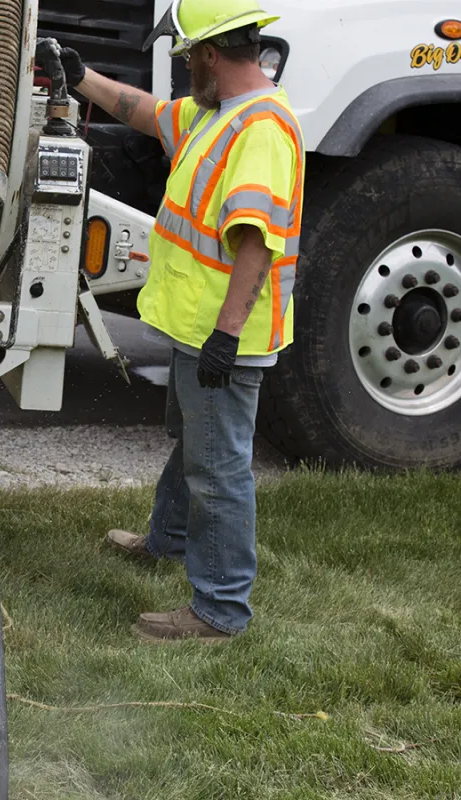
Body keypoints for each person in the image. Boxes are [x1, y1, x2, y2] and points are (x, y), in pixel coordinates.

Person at [54, 0, 304, 641]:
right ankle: (165, 540)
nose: (185, 65)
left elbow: (255, 240)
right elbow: (144, 112)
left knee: (219, 467)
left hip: (225, 337)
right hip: (197, 328)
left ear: (212, 55)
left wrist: (225, 334)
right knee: (195, 442)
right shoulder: (217, 115)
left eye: (189, 55)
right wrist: (79, 77)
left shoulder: (262, 131)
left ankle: (219, 609)